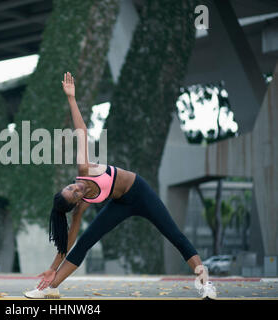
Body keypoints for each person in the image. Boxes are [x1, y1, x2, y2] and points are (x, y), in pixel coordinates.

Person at [23, 72, 216, 300]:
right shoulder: (81, 206)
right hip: (120, 203)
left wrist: (71, 99)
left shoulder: (83, 171)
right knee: (84, 243)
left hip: (139, 192)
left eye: (71, 187)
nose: (77, 189)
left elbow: (81, 132)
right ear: (76, 202)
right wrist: (53, 267)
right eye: (75, 194)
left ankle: (205, 283)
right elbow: (70, 241)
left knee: (174, 235)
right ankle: (50, 287)